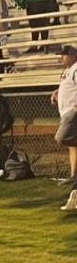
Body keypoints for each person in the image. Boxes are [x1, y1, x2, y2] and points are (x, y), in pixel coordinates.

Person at [54, 46, 77, 210]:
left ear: (73, 56)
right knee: (72, 145)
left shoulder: (76, 69)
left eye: (64, 55)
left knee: (61, 137)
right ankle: (74, 177)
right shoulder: (68, 71)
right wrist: (57, 92)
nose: (61, 58)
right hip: (66, 112)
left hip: (72, 112)